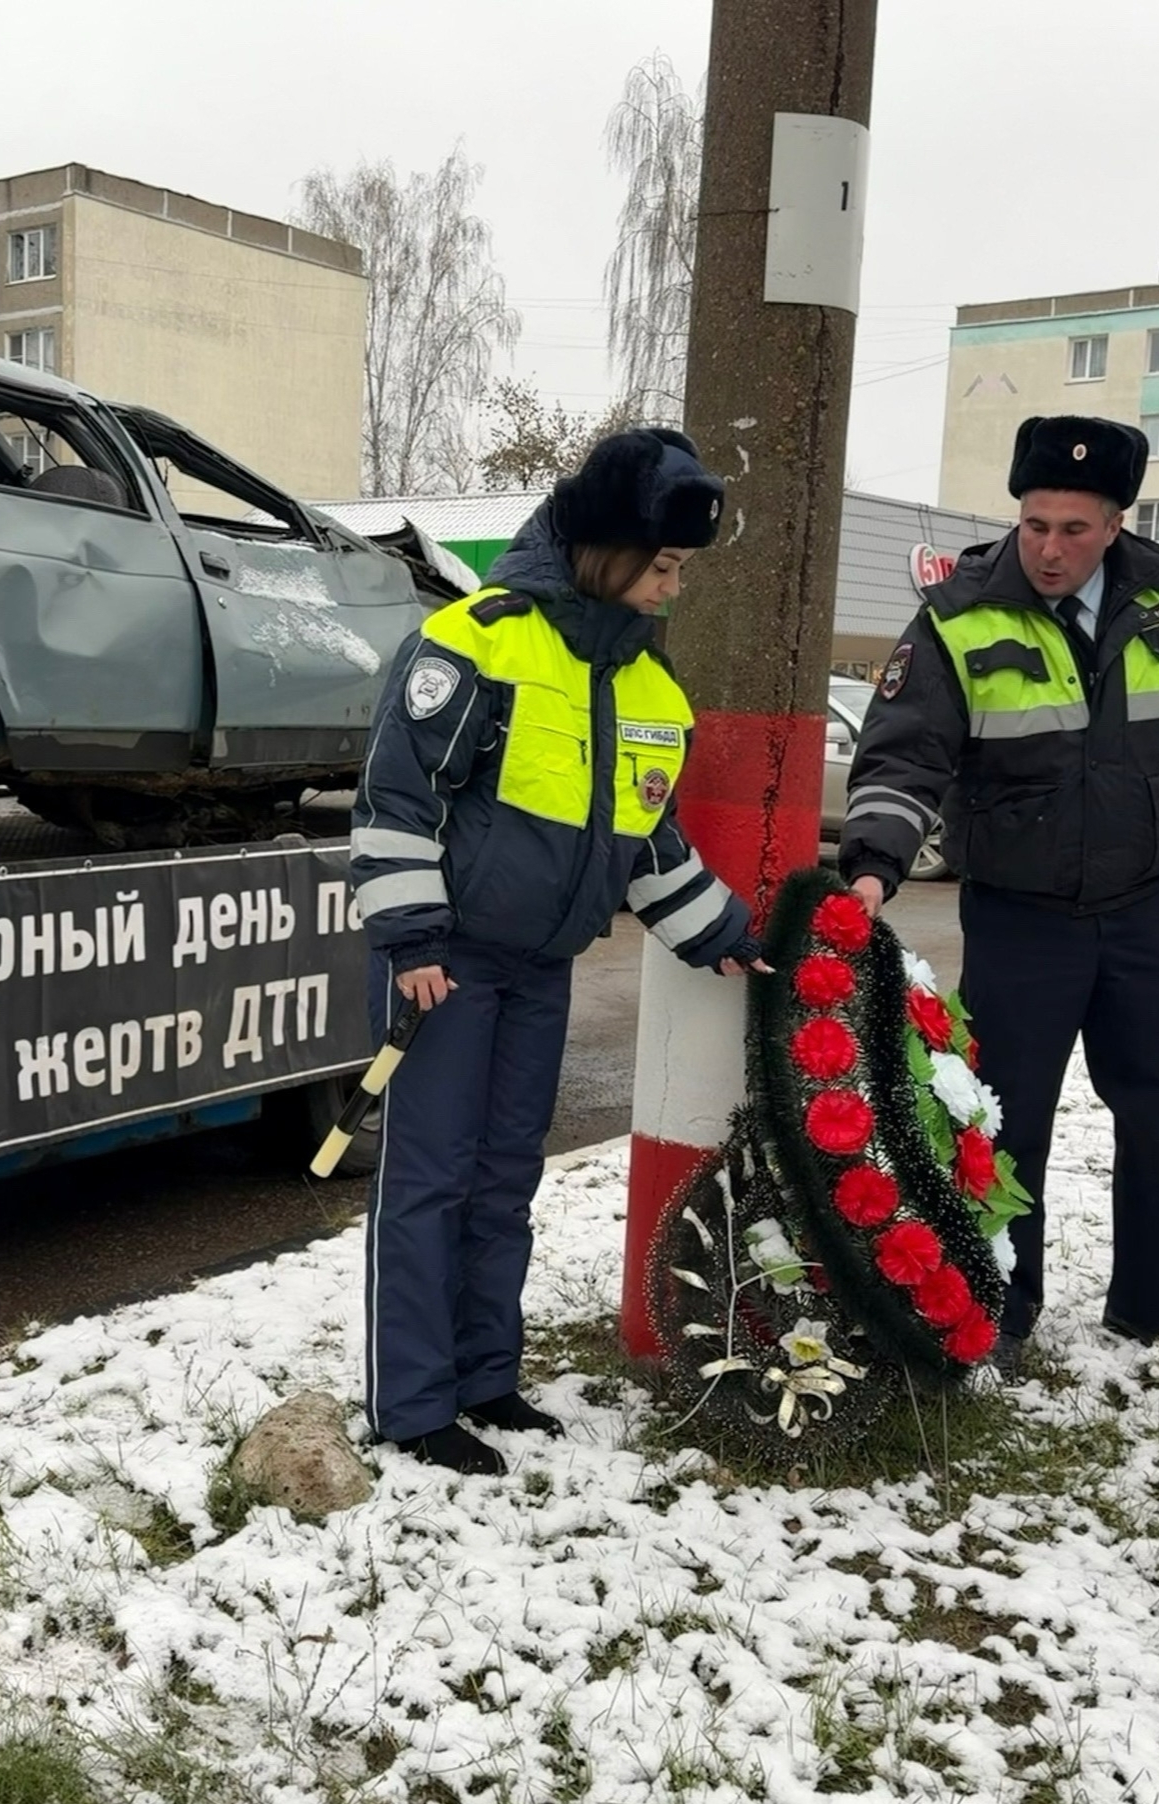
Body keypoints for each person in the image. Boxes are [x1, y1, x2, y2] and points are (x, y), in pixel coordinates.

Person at [348, 428, 766, 1474]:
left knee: (502, 1185)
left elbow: (648, 845)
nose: (671, 588)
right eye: (662, 565)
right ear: (604, 550)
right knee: (428, 1184)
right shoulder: (477, 639)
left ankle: (487, 1376)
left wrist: (727, 937)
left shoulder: (651, 693)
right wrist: (410, 940)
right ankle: (412, 1402)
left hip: (540, 971)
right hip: (443, 966)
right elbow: (395, 799)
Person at [839, 415, 1159, 1368]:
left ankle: (1148, 1312)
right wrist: (873, 864)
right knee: (1001, 1128)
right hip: (1017, 919)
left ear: (1116, 523)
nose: (1047, 548)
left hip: (1147, 910)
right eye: (1034, 523)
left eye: (1073, 529)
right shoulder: (959, 612)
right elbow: (903, 752)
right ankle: (1000, 1309)